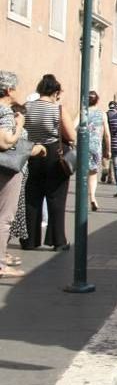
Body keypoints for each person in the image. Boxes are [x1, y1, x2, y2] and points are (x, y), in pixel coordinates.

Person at [23, 74, 76, 250]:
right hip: (55, 155)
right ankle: (57, 240)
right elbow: (71, 135)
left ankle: (29, 240)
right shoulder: (58, 110)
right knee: (56, 198)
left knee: (32, 197)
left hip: (32, 153)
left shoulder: (27, 107)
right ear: (55, 92)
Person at [0, 71, 45, 277]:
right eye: (15, 88)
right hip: (6, 169)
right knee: (4, 218)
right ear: (9, 90)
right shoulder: (5, 111)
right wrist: (19, 125)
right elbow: (5, 142)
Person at [74, 91, 111, 212]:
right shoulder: (102, 114)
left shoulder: (82, 112)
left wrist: (73, 142)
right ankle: (93, 198)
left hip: (83, 146)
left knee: (82, 173)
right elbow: (107, 134)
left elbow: (74, 127)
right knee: (93, 173)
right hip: (96, 146)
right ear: (97, 101)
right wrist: (108, 150)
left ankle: (82, 199)